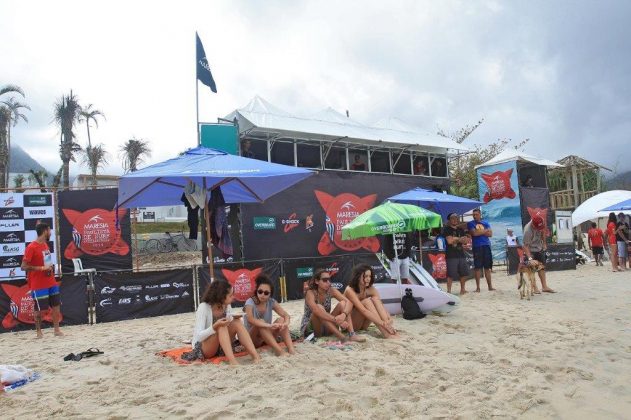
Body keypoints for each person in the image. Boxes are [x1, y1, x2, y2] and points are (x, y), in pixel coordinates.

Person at [186, 280, 260, 365]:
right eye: (230, 295)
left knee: (237, 322)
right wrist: (214, 327)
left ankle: (256, 356)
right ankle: (233, 362)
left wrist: (233, 319)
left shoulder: (226, 306)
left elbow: (230, 326)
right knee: (221, 327)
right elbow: (199, 336)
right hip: (204, 348)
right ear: (221, 296)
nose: (233, 297)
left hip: (222, 345)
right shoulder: (204, 307)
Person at [20, 223, 63, 339]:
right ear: (45, 231)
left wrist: (50, 268)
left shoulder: (45, 245)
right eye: (49, 230)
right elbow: (23, 267)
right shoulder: (31, 247)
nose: (51, 233)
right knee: (39, 310)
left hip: (51, 281)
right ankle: (39, 332)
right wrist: (40, 268)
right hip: (38, 284)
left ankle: (56, 330)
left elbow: (47, 262)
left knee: (56, 305)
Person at [300, 269, 365, 342]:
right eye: (325, 280)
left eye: (329, 280)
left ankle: (352, 334)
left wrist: (343, 315)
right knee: (319, 307)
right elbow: (316, 311)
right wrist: (336, 320)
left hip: (328, 326)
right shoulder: (310, 293)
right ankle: (342, 337)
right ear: (317, 281)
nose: (328, 283)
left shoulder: (331, 291)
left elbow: (349, 302)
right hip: (313, 329)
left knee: (343, 303)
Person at [243, 275, 295, 356]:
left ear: (270, 294)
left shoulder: (271, 302)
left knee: (281, 320)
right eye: (260, 291)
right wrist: (269, 325)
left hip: (267, 337)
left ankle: (291, 349)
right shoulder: (250, 302)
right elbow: (250, 319)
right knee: (260, 322)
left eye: (266, 293)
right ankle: (279, 351)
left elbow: (286, 315)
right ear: (256, 291)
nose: (262, 295)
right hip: (252, 339)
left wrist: (285, 323)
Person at [343, 264, 399, 339]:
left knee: (375, 299)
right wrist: (382, 323)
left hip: (364, 325)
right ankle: (386, 333)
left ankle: (389, 329)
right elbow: (363, 310)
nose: (368, 279)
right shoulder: (350, 290)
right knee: (367, 301)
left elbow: (380, 305)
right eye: (365, 276)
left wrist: (388, 319)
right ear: (358, 277)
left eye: (370, 276)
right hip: (350, 325)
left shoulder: (371, 289)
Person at [522, 215, 555, 293]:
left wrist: (544, 243)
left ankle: (544, 287)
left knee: (541, 267)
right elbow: (525, 246)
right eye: (537, 228)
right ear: (533, 225)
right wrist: (530, 259)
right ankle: (535, 287)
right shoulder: (528, 231)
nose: (539, 229)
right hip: (530, 249)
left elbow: (543, 231)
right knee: (531, 269)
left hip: (539, 248)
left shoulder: (541, 222)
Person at [467, 209, 495, 292]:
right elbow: (474, 233)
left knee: (487, 267)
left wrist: (480, 232)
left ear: (480, 214)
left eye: (476, 214)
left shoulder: (485, 222)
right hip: (477, 246)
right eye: (473, 214)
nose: (474, 216)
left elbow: (490, 234)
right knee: (478, 267)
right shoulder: (471, 223)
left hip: (486, 245)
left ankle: (490, 286)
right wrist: (485, 230)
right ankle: (478, 287)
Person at [442, 213, 470, 295]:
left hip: (461, 254)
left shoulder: (460, 230)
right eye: (453, 218)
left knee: (463, 273)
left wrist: (455, 239)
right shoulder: (446, 229)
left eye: (456, 218)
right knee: (450, 274)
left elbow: (465, 241)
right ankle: (449, 291)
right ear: (449, 220)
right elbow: (449, 241)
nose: (455, 220)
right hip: (451, 255)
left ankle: (462, 290)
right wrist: (459, 239)